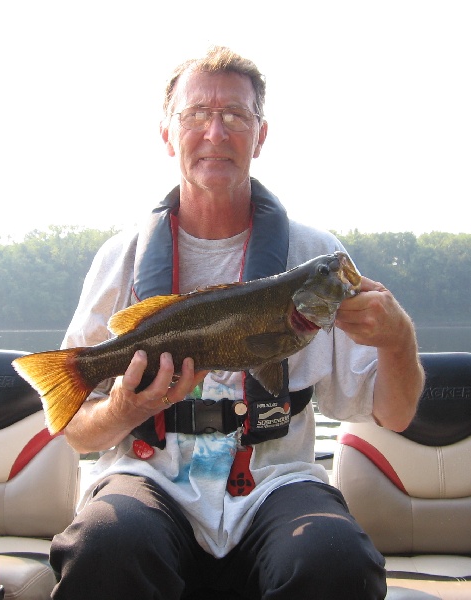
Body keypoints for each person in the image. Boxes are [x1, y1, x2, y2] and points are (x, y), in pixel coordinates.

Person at [50, 46, 424, 599]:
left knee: (335, 559)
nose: (216, 132)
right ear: (167, 134)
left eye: (236, 116)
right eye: (197, 114)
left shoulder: (315, 253)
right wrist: (126, 408)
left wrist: (398, 341)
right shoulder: (122, 257)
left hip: (276, 482)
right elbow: (74, 427)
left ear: (261, 135)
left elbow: (394, 414)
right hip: (149, 478)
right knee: (105, 547)